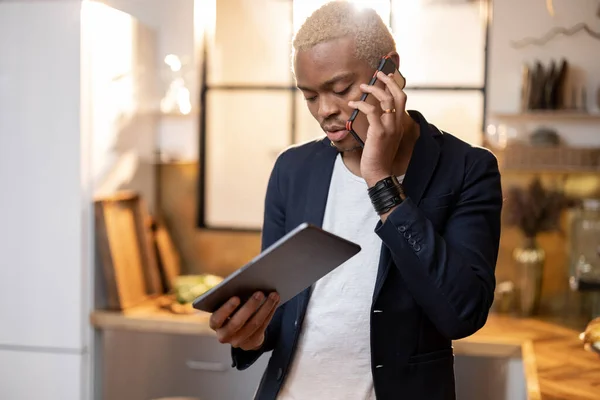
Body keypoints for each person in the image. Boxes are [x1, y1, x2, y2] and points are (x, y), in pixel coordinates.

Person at [208, 2, 502, 399]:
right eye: (309, 96)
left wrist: (380, 179)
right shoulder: (292, 171)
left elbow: (462, 314)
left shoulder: (467, 169)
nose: (325, 111)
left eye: (341, 89)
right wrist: (250, 334)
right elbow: (279, 314)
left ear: (389, 70)